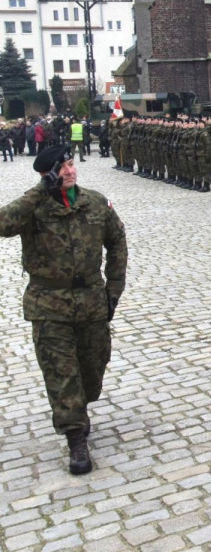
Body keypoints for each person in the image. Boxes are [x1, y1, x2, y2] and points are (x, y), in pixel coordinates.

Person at [0, 145, 128, 474]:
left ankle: (80, 409)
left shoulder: (95, 202)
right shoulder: (33, 207)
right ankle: (75, 436)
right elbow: (2, 224)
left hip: (92, 300)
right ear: (47, 174)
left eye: (71, 164)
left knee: (92, 368)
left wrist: (114, 288)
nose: (69, 171)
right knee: (61, 374)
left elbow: (117, 240)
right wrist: (39, 192)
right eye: (62, 168)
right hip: (48, 303)